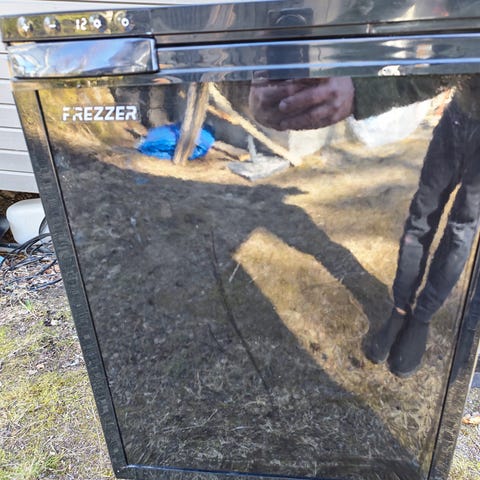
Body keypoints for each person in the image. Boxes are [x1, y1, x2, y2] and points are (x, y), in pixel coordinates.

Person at [249, 74, 480, 377]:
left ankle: (421, 318)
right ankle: (400, 310)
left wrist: (363, 91)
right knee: (421, 216)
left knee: (461, 229)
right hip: (457, 115)